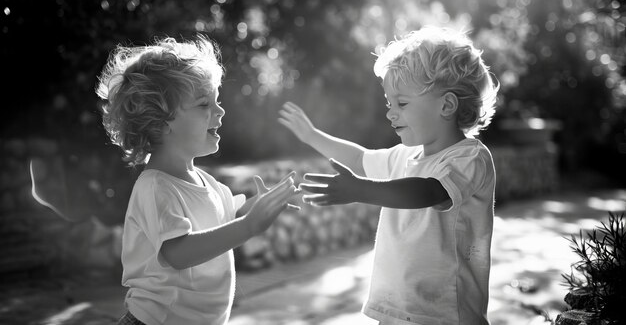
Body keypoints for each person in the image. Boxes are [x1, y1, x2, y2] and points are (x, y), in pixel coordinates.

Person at [279, 26, 499, 325]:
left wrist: (361, 191)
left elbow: (428, 193)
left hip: (446, 313)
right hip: (398, 308)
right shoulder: (405, 155)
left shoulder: (469, 157)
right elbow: (359, 159)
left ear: (446, 105)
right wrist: (312, 136)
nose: (390, 113)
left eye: (402, 103)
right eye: (389, 103)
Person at [95, 35, 299, 325]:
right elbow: (179, 252)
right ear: (161, 121)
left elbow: (226, 217)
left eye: (217, 101)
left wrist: (262, 204)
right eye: (205, 104)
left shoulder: (207, 182)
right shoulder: (155, 187)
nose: (220, 111)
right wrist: (250, 225)